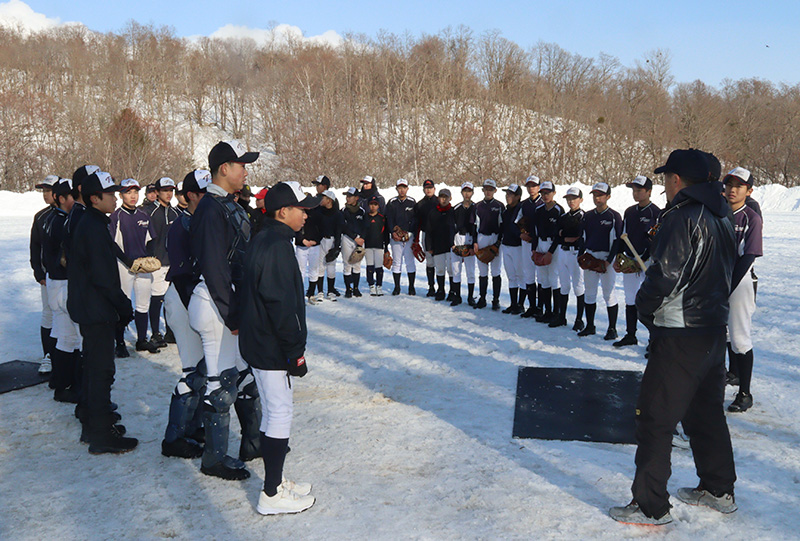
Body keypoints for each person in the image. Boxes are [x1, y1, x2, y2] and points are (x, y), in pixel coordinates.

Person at [610, 148, 737, 526]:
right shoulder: (722, 214)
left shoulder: (682, 216)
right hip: (713, 329)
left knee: (655, 417)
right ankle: (718, 488)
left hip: (681, 332)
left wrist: (645, 310)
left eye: (666, 178)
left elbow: (664, 275)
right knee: (705, 413)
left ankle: (651, 505)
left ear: (677, 180)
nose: (665, 185)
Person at [240, 181, 317, 515]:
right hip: (269, 345)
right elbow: (281, 305)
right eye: (302, 209)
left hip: (261, 341)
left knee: (274, 411)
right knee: (280, 412)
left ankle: (276, 480)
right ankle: (271, 493)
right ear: (283, 211)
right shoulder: (275, 245)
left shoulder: (269, 238)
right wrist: (295, 352)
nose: (306, 215)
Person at [188, 140, 262, 480]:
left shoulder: (226, 204)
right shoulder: (210, 209)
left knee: (244, 376)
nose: (246, 171)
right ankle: (213, 460)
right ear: (224, 169)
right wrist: (232, 314)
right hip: (216, 304)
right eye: (241, 165)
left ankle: (253, 443)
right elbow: (214, 266)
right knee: (220, 385)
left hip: (228, 301)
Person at [66, 171, 138, 455]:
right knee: (100, 371)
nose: (115, 198)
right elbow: (102, 277)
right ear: (95, 198)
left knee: (95, 368)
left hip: (92, 308)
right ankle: (100, 434)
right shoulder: (92, 227)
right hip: (95, 310)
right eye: (110, 194)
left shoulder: (93, 222)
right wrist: (123, 305)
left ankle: (94, 421)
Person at [161, 170, 212, 459]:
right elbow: (182, 276)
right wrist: (199, 311)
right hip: (183, 300)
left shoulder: (203, 221)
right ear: (190, 195)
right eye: (204, 193)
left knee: (204, 369)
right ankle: (174, 438)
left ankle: (194, 427)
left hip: (197, 298)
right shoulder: (181, 226)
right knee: (193, 370)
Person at [722, 167, 762, 413]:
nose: (732, 190)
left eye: (739, 186)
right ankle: (732, 373)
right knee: (722, 335)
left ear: (749, 191)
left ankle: (745, 394)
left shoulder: (751, 217)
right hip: (717, 280)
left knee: (739, 337)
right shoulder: (718, 213)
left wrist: (728, 285)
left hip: (739, 281)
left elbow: (748, 257)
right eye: (729, 184)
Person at [41, 177, 82, 402]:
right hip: (63, 283)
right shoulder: (61, 221)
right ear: (60, 198)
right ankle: (69, 384)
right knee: (72, 337)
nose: (74, 201)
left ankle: (60, 382)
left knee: (63, 336)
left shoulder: (50, 218)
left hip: (55, 282)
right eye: (71, 197)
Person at [110, 178, 159, 356]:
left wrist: (149, 257)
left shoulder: (144, 215)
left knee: (143, 304)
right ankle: (120, 342)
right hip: (124, 265)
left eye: (135, 192)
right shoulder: (116, 216)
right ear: (121, 195)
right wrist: (128, 262)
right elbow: (112, 244)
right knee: (123, 304)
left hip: (142, 266)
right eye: (128, 192)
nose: (132, 196)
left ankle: (141, 340)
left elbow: (151, 239)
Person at [613, 175, 660, 347]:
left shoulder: (656, 213)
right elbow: (622, 236)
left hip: (648, 261)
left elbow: (656, 240)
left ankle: (653, 340)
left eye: (639, 190)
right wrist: (619, 256)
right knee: (630, 298)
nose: (636, 193)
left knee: (651, 301)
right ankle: (630, 335)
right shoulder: (629, 212)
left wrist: (644, 259)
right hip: (630, 260)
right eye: (634, 190)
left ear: (649, 192)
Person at [579, 182, 622, 340]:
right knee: (589, 293)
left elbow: (618, 241)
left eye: (600, 195)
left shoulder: (614, 216)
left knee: (609, 294)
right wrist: (580, 255)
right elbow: (583, 237)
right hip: (591, 256)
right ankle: (590, 326)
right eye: (595, 195)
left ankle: (612, 329)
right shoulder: (588, 216)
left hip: (606, 257)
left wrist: (609, 261)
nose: (597, 198)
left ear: (608, 196)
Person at [31, 174, 59, 374]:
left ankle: (71, 354)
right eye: (43, 191)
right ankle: (48, 355)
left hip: (70, 276)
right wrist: (38, 271)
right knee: (48, 313)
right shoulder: (41, 217)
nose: (45, 194)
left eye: (48, 190)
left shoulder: (72, 213)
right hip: (48, 276)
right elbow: (35, 246)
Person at [147, 177, 179, 347]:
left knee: (170, 299)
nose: (169, 194)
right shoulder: (151, 212)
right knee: (157, 297)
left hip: (172, 262)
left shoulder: (175, 213)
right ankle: (155, 333)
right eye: (165, 190)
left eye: (171, 190)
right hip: (157, 263)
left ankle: (170, 331)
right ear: (157, 192)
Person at [552, 187, 586, 331]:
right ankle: (562, 316)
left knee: (578, 286)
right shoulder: (564, 217)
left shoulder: (583, 216)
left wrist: (565, 234)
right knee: (564, 285)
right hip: (563, 251)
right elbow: (557, 234)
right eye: (569, 198)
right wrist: (566, 235)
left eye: (574, 198)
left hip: (575, 252)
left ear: (581, 200)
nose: (571, 201)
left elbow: (579, 234)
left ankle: (579, 319)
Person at [531, 181, 563, 323]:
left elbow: (559, 234)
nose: (545, 196)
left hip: (553, 245)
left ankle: (556, 313)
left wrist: (550, 252)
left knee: (554, 278)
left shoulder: (558, 210)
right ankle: (547, 311)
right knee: (543, 279)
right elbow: (534, 231)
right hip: (540, 243)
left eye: (548, 193)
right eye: (543, 193)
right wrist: (533, 249)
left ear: (554, 193)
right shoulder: (538, 210)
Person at [472, 179, 504, 310]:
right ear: (483, 190)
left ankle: (496, 299)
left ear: (495, 190)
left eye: (491, 189)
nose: (488, 191)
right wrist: (475, 242)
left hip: (494, 237)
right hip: (482, 237)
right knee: (482, 271)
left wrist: (498, 242)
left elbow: (502, 226)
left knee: (496, 271)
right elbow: (474, 226)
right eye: (486, 189)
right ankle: (482, 298)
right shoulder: (477, 206)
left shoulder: (500, 206)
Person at [385, 178, 418, 296]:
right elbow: (388, 219)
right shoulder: (392, 202)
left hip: (409, 237)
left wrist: (410, 233)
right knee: (397, 262)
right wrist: (392, 232)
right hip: (396, 238)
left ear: (407, 189)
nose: (402, 190)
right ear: (396, 189)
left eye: (404, 187)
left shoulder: (412, 202)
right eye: (400, 188)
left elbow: (415, 219)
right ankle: (397, 287)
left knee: (410, 262)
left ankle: (411, 287)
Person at [519, 175, 544, 318]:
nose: (531, 188)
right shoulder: (524, 204)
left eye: (534, 186)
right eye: (529, 186)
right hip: (526, 242)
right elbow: (517, 222)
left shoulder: (543, 203)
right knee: (528, 274)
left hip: (540, 242)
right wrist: (522, 233)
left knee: (541, 275)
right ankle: (532, 306)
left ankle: (540, 307)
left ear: (539, 187)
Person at [426, 188, 456, 301]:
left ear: (450, 198)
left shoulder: (453, 212)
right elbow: (428, 231)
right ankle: (441, 290)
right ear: (438, 198)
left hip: (450, 246)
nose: (444, 199)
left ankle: (452, 291)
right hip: (437, 245)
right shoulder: (433, 212)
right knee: (440, 269)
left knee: (451, 269)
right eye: (442, 197)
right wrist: (429, 246)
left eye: (446, 197)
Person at [451, 182, 477, 306]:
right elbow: (450, 227)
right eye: (465, 191)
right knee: (456, 269)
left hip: (470, 238)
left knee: (470, 270)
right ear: (461, 192)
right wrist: (452, 244)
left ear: (473, 192)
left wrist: (473, 245)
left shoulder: (476, 208)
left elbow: (477, 227)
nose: (467, 194)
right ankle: (457, 296)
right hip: (458, 237)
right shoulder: (456, 208)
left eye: (469, 191)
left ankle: (470, 297)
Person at [500, 184, 525, 314]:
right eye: (507, 194)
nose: (507, 196)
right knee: (511, 276)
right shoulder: (505, 211)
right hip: (506, 245)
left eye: (510, 194)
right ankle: (513, 304)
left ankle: (521, 304)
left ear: (518, 196)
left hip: (518, 247)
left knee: (521, 275)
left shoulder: (521, 209)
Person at [315, 189, 343, 300]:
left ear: (329, 200)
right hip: (321, 240)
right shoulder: (319, 212)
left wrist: (337, 246)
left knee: (331, 266)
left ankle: (331, 291)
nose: (321, 200)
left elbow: (339, 230)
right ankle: (320, 291)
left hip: (332, 240)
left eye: (323, 198)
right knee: (320, 266)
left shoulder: (337, 214)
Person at [340, 187, 366, 297]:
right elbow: (343, 226)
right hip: (347, 238)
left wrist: (362, 238)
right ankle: (348, 289)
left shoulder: (362, 211)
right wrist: (355, 237)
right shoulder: (343, 211)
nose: (348, 198)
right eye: (347, 196)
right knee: (347, 264)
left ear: (356, 198)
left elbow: (365, 226)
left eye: (350, 196)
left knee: (357, 265)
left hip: (359, 240)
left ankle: (356, 288)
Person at [414, 179, 437, 296]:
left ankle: (442, 288)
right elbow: (417, 223)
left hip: (439, 234)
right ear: (423, 190)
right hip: (426, 234)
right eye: (426, 188)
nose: (428, 190)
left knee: (441, 261)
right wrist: (416, 240)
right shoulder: (420, 205)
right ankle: (431, 286)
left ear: (434, 189)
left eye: (430, 188)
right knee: (430, 261)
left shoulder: (440, 201)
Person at [363, 196, 389, 296]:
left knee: (379, 267)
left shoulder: (382, 218)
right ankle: (371, 285)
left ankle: (379, 286)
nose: (373, 206)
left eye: (375, 204)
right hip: (368, 245)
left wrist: (386, 247)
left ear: (378, 206)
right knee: (370, 266)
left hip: (379, 245)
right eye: (371, 204)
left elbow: (386, 233)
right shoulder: (365, 217)